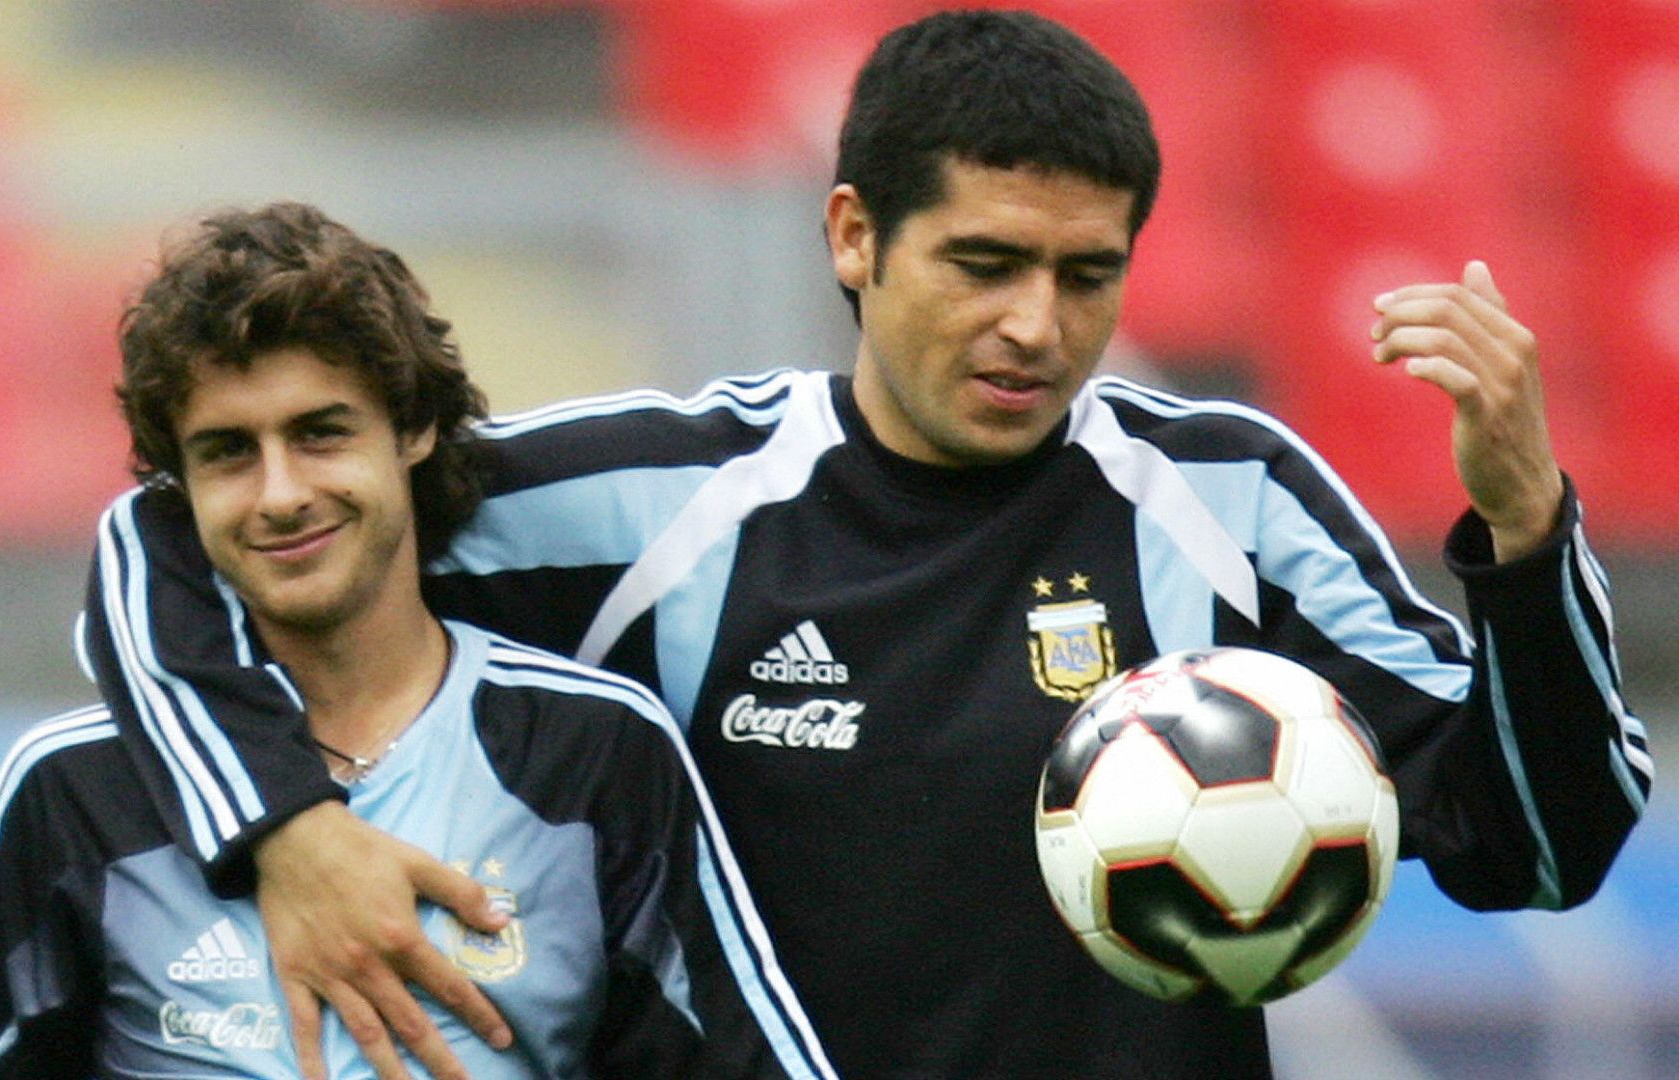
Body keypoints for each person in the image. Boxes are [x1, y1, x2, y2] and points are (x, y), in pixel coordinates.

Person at [80, 11, 1653, 1080]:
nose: (1035, 325)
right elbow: (189, 532)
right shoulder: (667, 500)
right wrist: (282, 827)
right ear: (851, 237)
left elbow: (1539, 838)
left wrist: (1524, 528)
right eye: (981, 262)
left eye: (1085, 275)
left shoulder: (1226, 500)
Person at [0, 203, 833, 1080]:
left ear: (415, 429)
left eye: (321, 434)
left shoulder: (594, 752)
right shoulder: (74, 794)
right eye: (229, 451)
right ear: (178, 489)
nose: (279, 493)